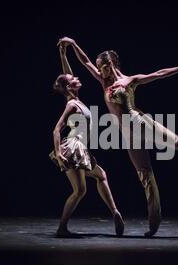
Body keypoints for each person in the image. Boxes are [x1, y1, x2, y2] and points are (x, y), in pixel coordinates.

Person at [58, 37, 178, 238]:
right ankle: (154, 222)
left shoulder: (130, 80)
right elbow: (85, 62)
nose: (100, 71)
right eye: (100, 68)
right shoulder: (103, 82)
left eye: (103, 67)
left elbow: (158, 74)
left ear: (111, 65)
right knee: (145, 174)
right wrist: (73, 44)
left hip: (140, 123)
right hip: (127, 134)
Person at [50, 42, 124, 238]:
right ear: (68, 86)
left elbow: (67, 74)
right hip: (73, 148)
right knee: (80, 190)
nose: (76, 77)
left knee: (101, 176)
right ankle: (62, 228)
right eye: (73, 79)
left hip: (81, 148)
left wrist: (63, 53)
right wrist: (58, 154)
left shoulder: (76, 100)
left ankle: (115, 212)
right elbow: (56, 130)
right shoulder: (72, 104)